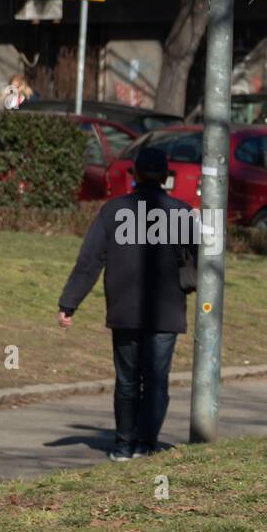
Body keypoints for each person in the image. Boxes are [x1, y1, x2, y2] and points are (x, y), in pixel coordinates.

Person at [57, 147, 196, 462]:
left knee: (128, 380)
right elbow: (199, 259)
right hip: (166, 311)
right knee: (156, 381)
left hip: (125, 309)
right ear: (165, 176)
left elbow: (90, 260)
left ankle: (122, 445)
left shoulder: (114, 211)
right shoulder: (181, 213)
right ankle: (146, 445)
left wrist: (69, 303)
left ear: (134, 174)